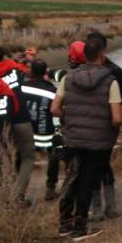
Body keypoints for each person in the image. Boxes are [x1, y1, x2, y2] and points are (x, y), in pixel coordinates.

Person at [51, 36, 122, 240]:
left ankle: (64, 224)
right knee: (88, 182)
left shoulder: (68, 77)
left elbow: (55, 109)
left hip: (73, 138)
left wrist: (70, 118)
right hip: (99, 142)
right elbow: (117, 118)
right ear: (102, 55)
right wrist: (109, 129)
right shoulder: (111, 81)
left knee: (71, 178)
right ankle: (80, 228)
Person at [85, 30, 122, 221]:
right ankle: (110, 207)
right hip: (108, 123)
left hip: (84, 125)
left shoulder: (78, 71)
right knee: (103, 164)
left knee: (90, 165)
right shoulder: (115, 71)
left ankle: (96, 209)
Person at [0, 44, 36, 204]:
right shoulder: (13, 68)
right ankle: (17, 196)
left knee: (2, 159)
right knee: (28, 157)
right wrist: (27, 59)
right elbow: (27, 71)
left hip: (0, 122)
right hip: (21, 117)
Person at [46, 41, 86, 200]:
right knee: (77, 162)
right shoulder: (96, 77)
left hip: (64, 125)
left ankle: (51, 187)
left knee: (55, 156)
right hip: (83, 126)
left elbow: (51, 73)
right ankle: (73, 190)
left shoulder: (64, 76)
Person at [20, 59, 59, 200]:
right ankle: (50, 188)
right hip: (46, 133)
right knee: (54, 157)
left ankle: (19, 193)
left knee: (22, 160)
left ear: (31, 72)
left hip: (26, 132)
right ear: (45, 72)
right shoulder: (52, 90)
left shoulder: (21, 87)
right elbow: (56, 111)